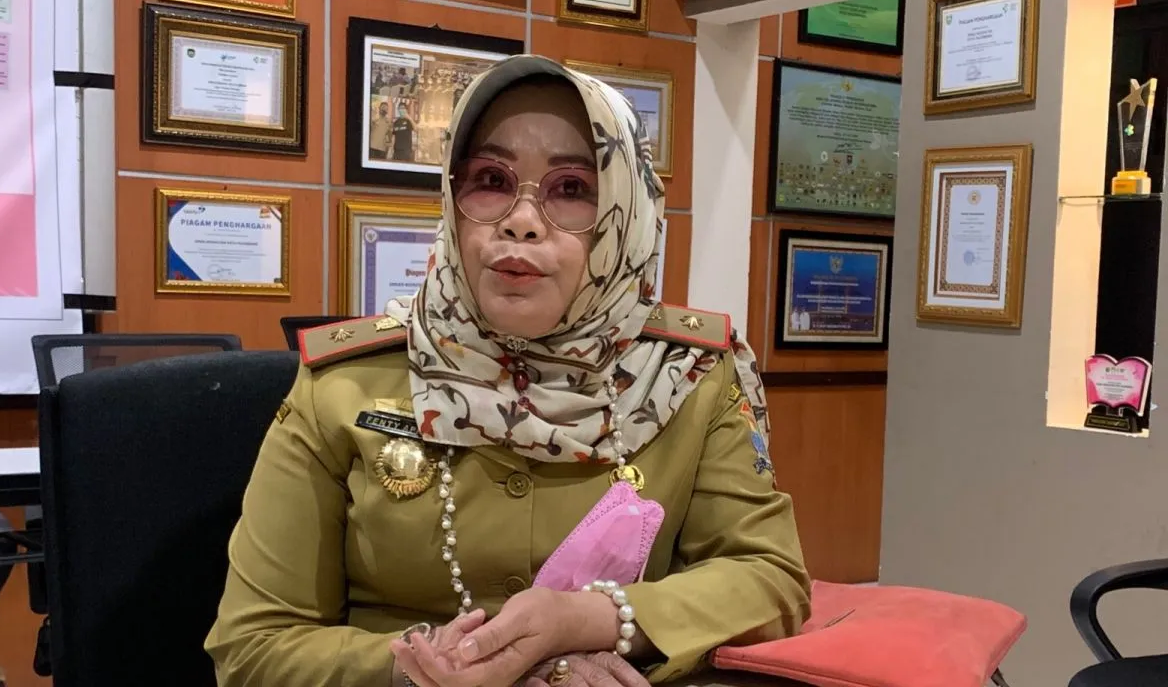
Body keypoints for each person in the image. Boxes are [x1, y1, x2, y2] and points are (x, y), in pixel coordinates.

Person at [204, 55, 811, 687]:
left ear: (624, 216)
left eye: (571, 189)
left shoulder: (687, 374)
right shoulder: (343, 384)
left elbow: (768, 577)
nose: (520, 221)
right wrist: (428, 667)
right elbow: (254, 644)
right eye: (491, 180)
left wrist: (594, 621)